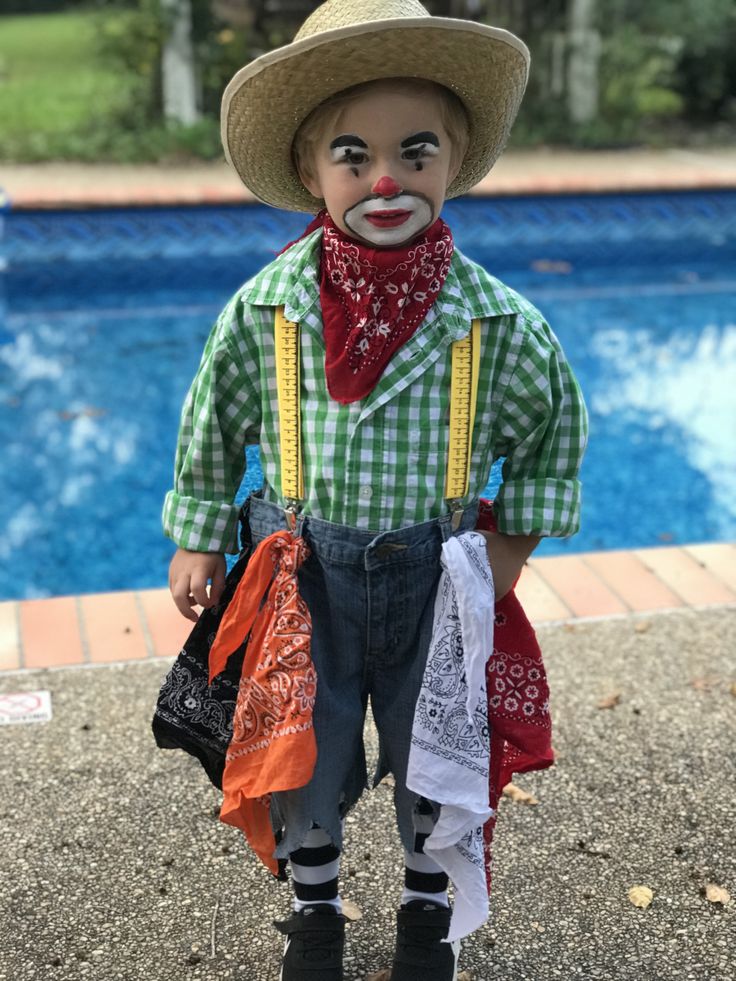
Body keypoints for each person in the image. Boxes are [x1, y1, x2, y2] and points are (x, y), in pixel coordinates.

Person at [153, 2, 588, 979]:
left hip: (437, 579)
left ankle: (424, 910)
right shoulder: (266, 309)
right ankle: (314, 909)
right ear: (312, 174)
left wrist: (509, 547)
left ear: (454, 160)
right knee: (304, 750)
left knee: (435, 746)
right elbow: (212, 421)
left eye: (414, 151)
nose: (384, 179)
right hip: (300, 580)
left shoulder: (495, 324)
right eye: (354, 156)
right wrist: (197, 537)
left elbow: (553, 437)